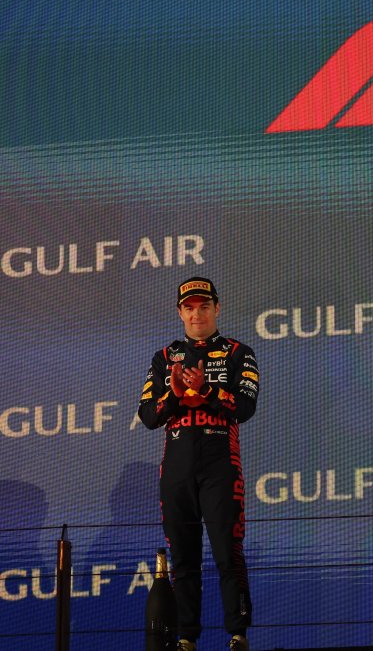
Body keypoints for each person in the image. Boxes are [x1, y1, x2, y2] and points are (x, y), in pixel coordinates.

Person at [138, 277, 259, 651]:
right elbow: (147, 415)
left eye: (204, 306)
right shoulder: (164, 357)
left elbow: (245, 407)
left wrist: (206, 390)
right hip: (176, 464)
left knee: (227, 551)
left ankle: (237, 635)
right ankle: (186, 638)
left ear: (217, 308)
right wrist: (172, 396)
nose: (197, 313)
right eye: (189, 307)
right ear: (180, 312)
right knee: (183, 559)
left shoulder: (240, 352)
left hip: (220, 461)